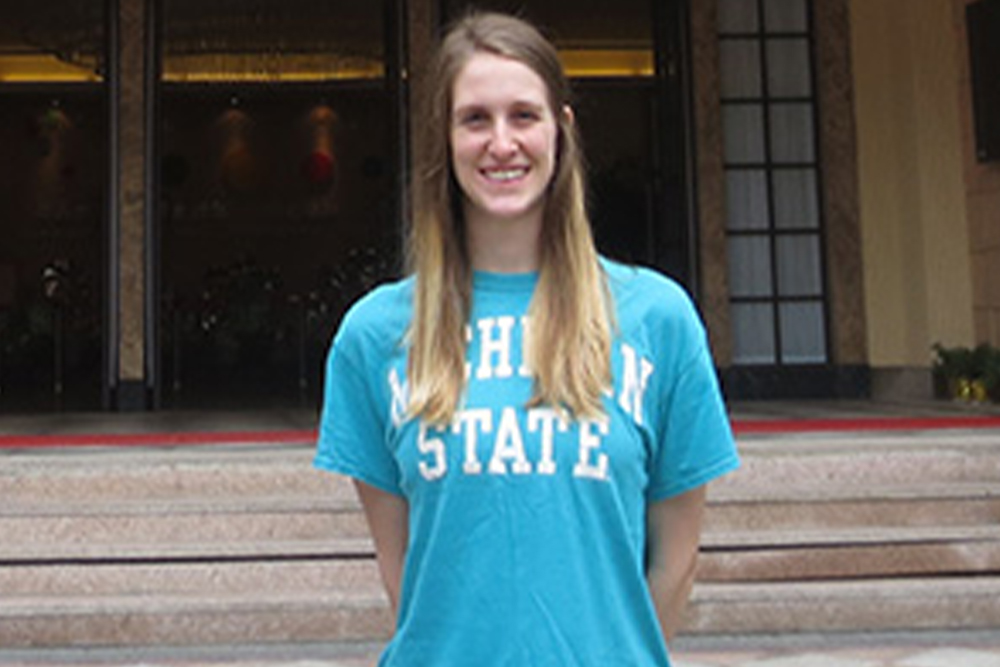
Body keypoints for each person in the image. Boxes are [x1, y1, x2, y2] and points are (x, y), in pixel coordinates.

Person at [314, 11, 739, 666]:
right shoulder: (375, 336)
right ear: (445, 140)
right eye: (475, 119)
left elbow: (677, 560)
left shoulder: (658, 318)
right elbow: (408, 580)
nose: (501, 142)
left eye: (524, 115)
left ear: (561, 132)